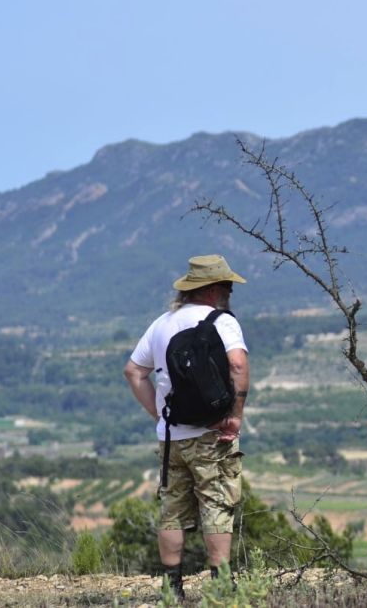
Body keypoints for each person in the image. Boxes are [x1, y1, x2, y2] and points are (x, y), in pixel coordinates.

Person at [123, 255, 250, 600]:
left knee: (172, 509)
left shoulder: (161, 324)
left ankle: (172, 587)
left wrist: (158, 415)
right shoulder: (222, 322)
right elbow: (237, 364)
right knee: (217, 503)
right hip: (213, 434)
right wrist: (235, 415)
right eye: (226, 285)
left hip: (171, 436)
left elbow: (133, 372)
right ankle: (222, 585)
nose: (229, 291)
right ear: (211, 289)